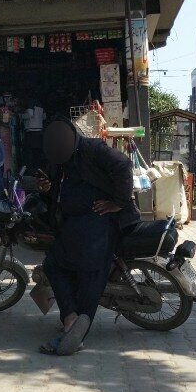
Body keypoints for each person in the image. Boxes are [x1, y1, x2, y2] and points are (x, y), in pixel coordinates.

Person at [37, 118, 140, 356]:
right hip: (77, 222)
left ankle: (74, 324)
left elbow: (123, 164)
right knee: (54, 264)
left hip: (103, 221)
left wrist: (118, 202)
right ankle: (71, 318)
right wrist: (47, 189)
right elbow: (59, 192)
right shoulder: (62, 161)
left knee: (90, 267)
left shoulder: (92, 148)